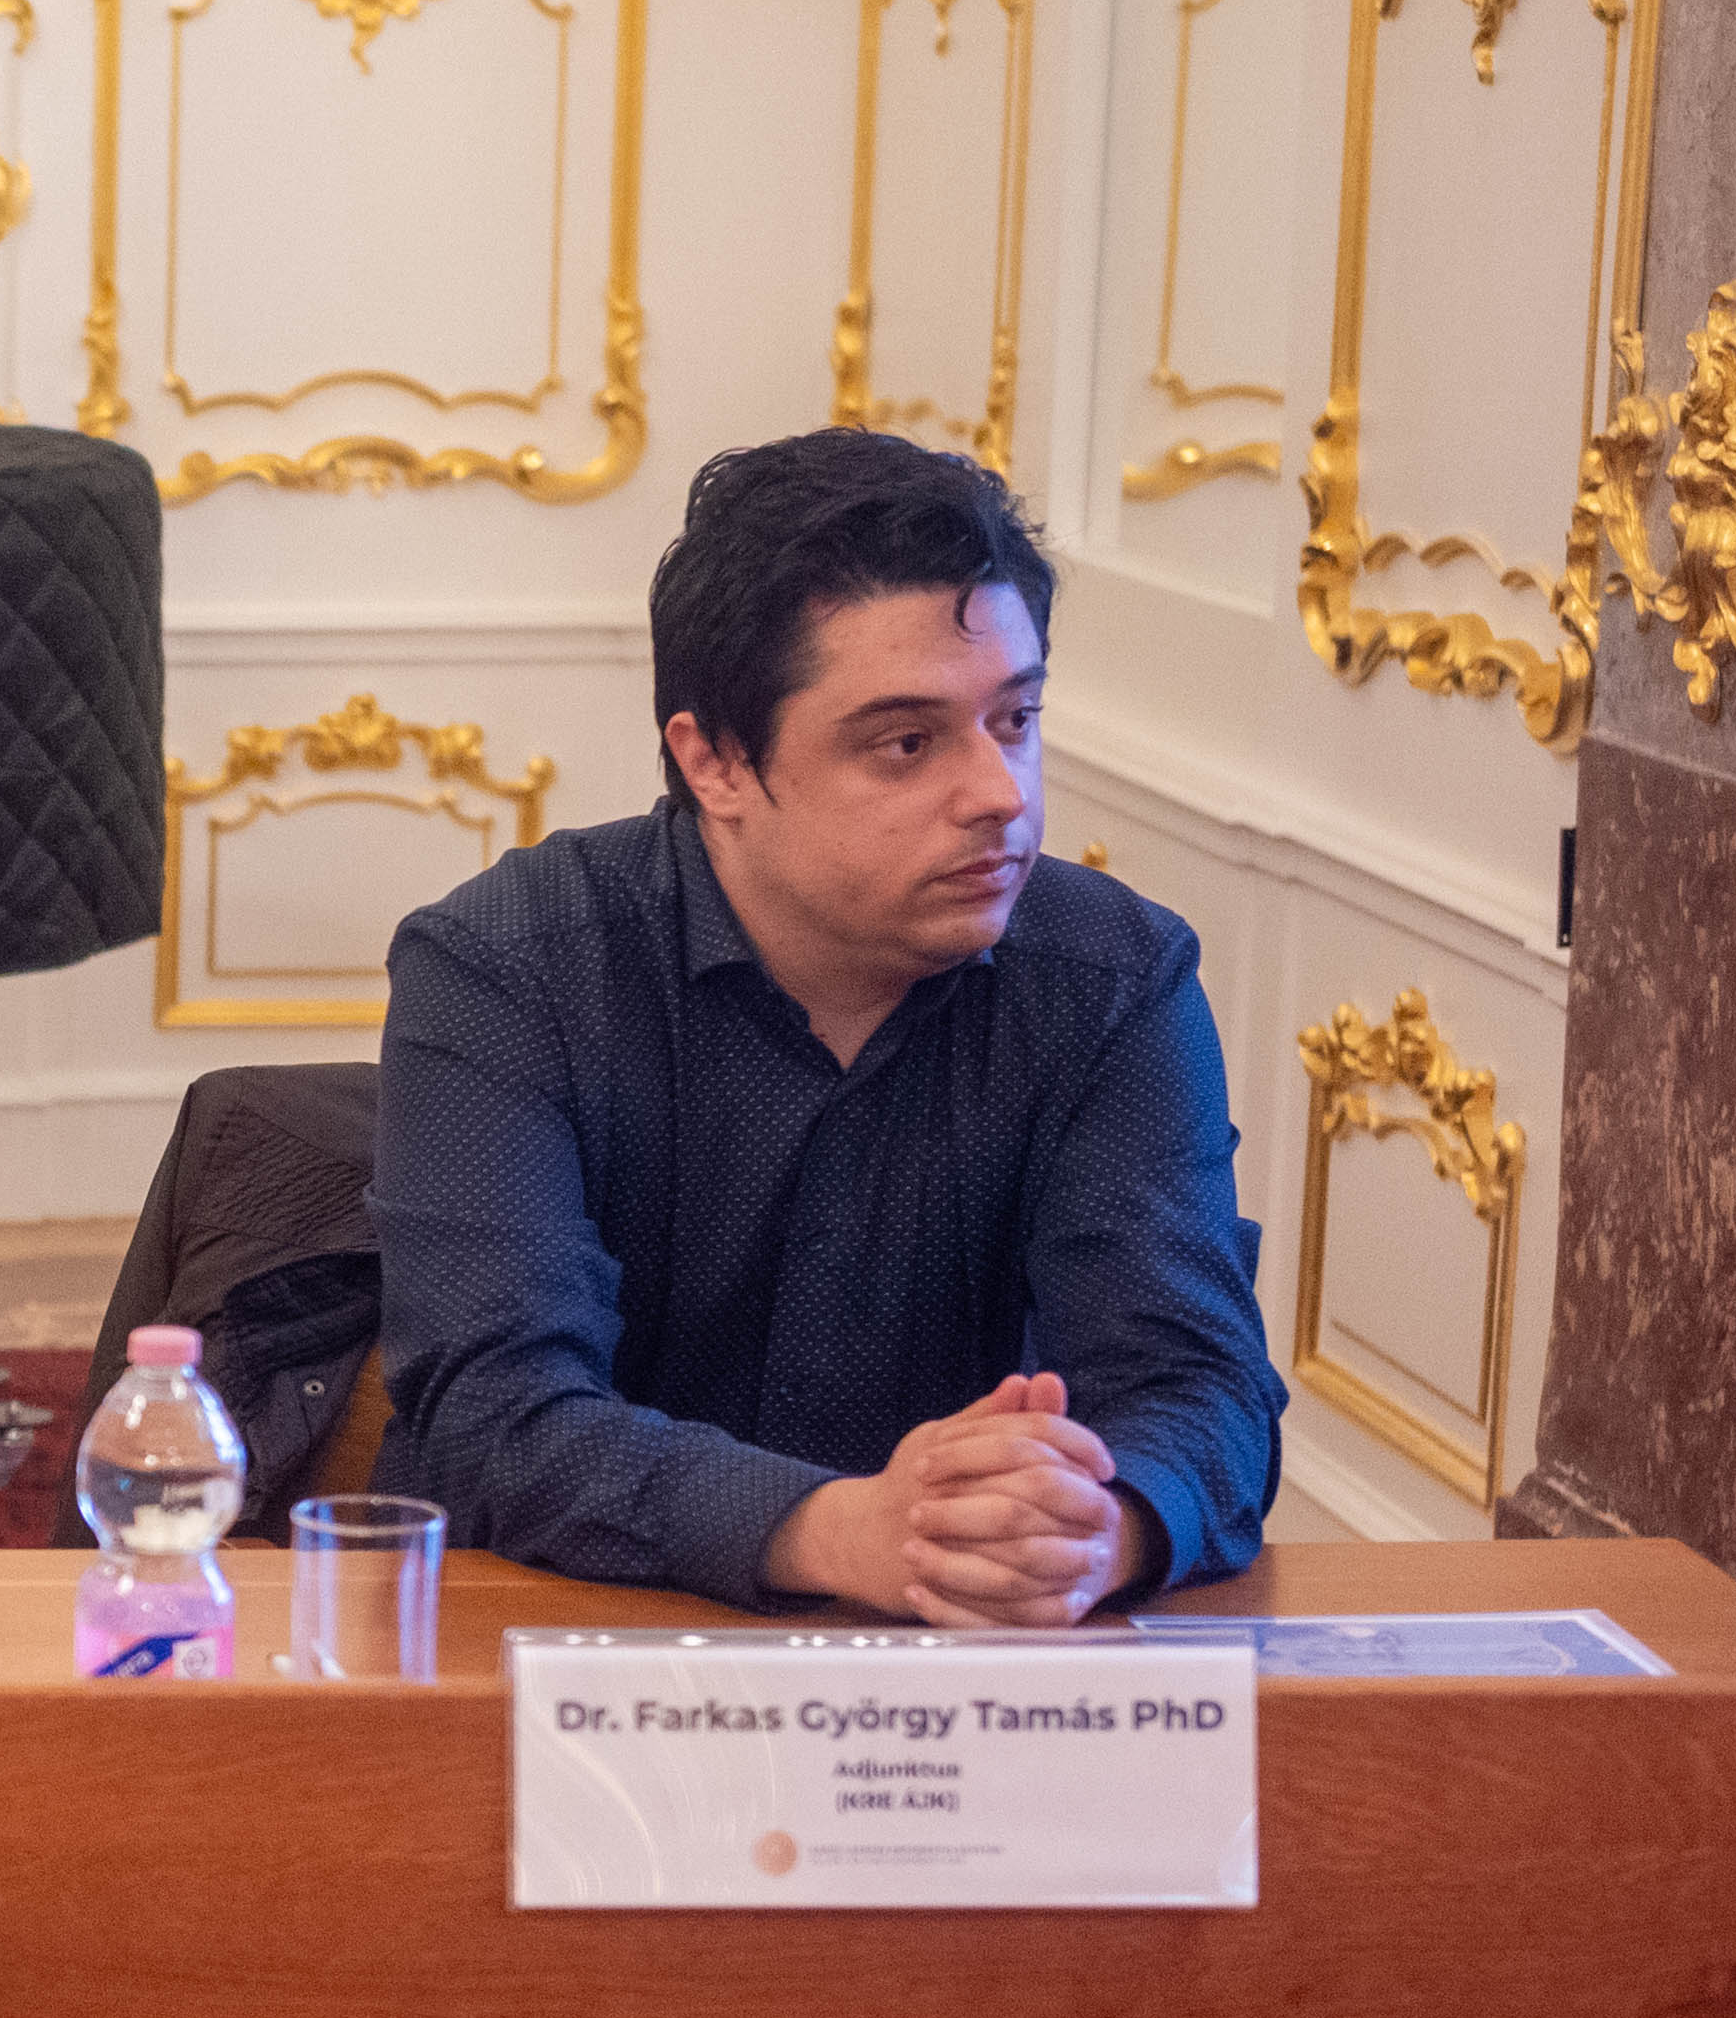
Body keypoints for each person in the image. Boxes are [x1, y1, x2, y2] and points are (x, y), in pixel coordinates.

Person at [369, 428, 1282, 1619]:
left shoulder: (1113, 980)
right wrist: (839, 1530)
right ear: (714, 763)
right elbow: (498, 1417)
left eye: (1013, 719)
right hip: (568, 1643)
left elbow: (1199, 1386)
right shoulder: (505, 966)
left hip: (967, 1663)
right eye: (905, 744)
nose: (998, 795)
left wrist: (1090, 1531)